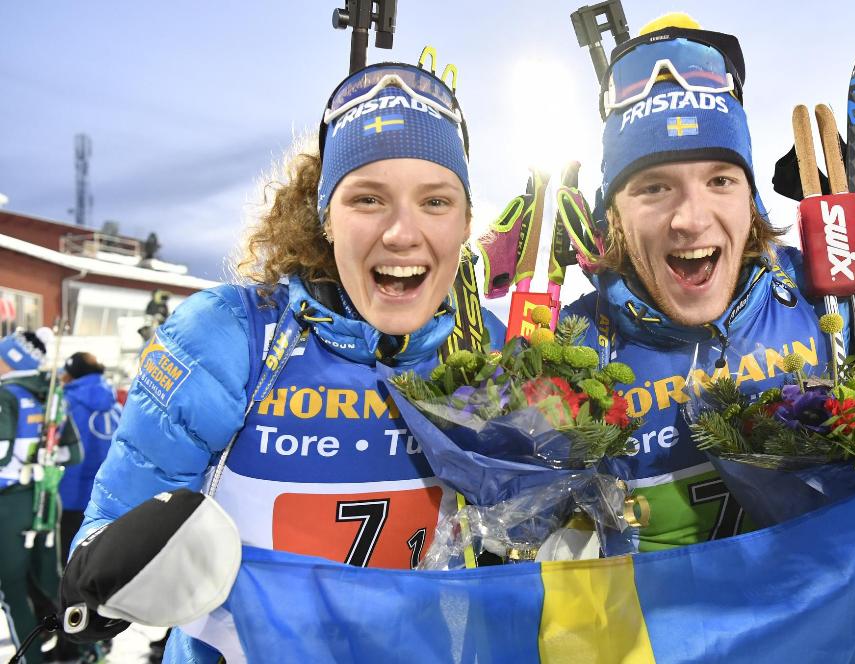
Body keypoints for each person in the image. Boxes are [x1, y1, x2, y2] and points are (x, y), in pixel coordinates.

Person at [62, 56, 503, 662]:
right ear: (325, 217)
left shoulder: (488, 349)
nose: (403, 232)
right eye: (368, 199)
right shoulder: (232, 336)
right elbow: (102, 546)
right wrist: (117, 577)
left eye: (435, 202)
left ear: (465, 222)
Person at [562, 13, 837, 551]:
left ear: (749, 196)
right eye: (653, 187)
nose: (691, 218)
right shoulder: (577, 342)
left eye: (720, 180)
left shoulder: (819, 294)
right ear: (612, 211)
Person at [0, 330, 81, 664]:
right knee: (53, 582)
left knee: (12, 591)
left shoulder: (6, 396)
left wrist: (24, 465)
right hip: (45, 501)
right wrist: (40, 462)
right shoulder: (51, 393)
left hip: (10, 506)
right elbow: (73, 453)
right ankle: (87, 646)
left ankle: (29, 659)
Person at [56, 352, 119, 554]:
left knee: (70, 555)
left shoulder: (66, 404)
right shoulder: (115, 405)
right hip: (109, 494)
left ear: (72, 375)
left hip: (70, 493)